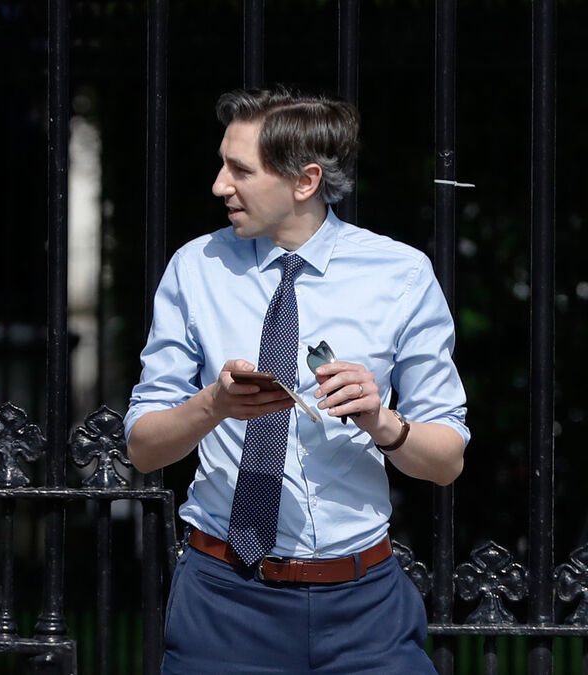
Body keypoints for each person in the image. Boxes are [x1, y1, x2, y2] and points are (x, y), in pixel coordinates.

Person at [125, 87, 469, 674]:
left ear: (305, 182)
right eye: (222, 164)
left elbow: (447, 461)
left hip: (363, 608)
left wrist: (381, 421)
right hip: (223, 601)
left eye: (240, 170)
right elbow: (142, 449)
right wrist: (213, 405)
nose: (219, 185)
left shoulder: (402, 275)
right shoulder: (195, 268)